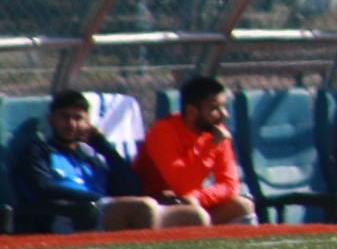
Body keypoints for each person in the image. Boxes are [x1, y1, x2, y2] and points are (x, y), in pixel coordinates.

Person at [11, 90, 204, 233]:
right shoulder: (38, 151)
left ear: (88, 123)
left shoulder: (91, 155)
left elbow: (130, 187)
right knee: (144, 207)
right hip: (70, 214)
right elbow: (43, 188)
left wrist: (102, 144)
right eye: (64, 117)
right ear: (51, 119)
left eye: (78, 118)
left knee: (194, 214)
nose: (71, 124)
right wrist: (98, 199)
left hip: (107, 208)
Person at [133, 76, 257, 226]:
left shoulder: (216, 133)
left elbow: (229, 184)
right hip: (154, 207)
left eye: (223, 107)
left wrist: (198, 198)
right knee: (195, 214)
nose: (224, 114)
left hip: (188, 203)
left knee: (242, 205)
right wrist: (211, 146)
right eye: (214, 108)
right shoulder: (163, 131)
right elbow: (182, 185)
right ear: (192, 111)